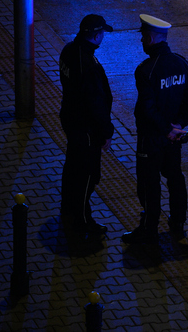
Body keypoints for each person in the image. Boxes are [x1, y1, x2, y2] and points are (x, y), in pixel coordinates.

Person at [122, 14, 188, 244]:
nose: (141, 41)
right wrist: (179, 126)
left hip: (152, 138)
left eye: (144, 37)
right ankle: (178, 222)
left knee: (148, 182)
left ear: (152, 38)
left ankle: (149, 228)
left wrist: (166, 129)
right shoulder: (182, 64)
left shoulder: (146, 70)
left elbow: (148, 108)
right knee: (174, 177)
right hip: (173, 138)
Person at [59, 14, 114, 235]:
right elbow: (96, 103)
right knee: (88, 174)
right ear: (97, 35)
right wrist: (106, 132)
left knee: (72, 165)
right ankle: (82, 220)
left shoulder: (69, 50)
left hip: (71, 120)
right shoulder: (88, 63)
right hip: (86, 127)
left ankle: (68, 207)